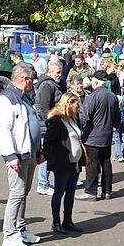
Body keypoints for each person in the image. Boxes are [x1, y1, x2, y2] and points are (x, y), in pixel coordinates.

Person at [0, 63, 43, 246]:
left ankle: (21, 228)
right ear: (25, 79)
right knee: (16, 193)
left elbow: (33, 122)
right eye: (32, 80)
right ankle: (9, 234)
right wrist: (10, 156)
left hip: (29, 152)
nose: (33, 84)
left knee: (23, 193)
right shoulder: (8, 98)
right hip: (17, 155)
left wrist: (38, 151)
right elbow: (4, 130)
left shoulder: (26, 97)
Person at [43, 93, 87, 234]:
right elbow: (48, 142)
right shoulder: (56, 121)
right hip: (63, 165)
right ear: (67, 104)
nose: (78, 106)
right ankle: (56, 223)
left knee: (70, 193)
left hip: (74, 164)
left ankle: (67, 221)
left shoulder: (73, 119)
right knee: (59, 193)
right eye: (75, 103)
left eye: (78, 103)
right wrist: (54, 159)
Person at [78, 70, 120, 200]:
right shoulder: (112, 96)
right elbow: (117, 118)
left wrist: (77, 128)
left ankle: (91, 191)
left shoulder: (92, 97)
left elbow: (84, 117)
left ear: (95, 82)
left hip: (93, 137)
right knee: (106, 162)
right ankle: (107, 191)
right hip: (106, 136)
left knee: (92, 163)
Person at [35, 61, 64, 196]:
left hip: (51, 125)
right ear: (49, 72)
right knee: (46, 154)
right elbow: (43, 108)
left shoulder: (52, 84)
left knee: (50, 154)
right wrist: (51, 122)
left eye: (60, 72)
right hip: (47, 127)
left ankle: (44, 183)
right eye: (57, 72)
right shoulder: (47, 85)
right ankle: (42, 184)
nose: (60, 75)